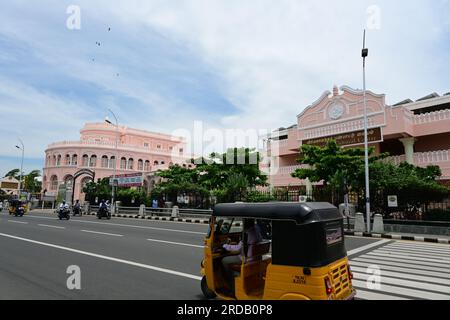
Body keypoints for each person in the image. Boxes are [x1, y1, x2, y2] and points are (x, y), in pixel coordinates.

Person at [221, 219, 263, 293]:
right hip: (256, 258)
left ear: (246, 223)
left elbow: (238, 249)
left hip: (247, 259)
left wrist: (224, 246)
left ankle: (231, 285)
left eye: (243, 221)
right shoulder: (257, 231)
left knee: (224, 261)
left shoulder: (247, 234)